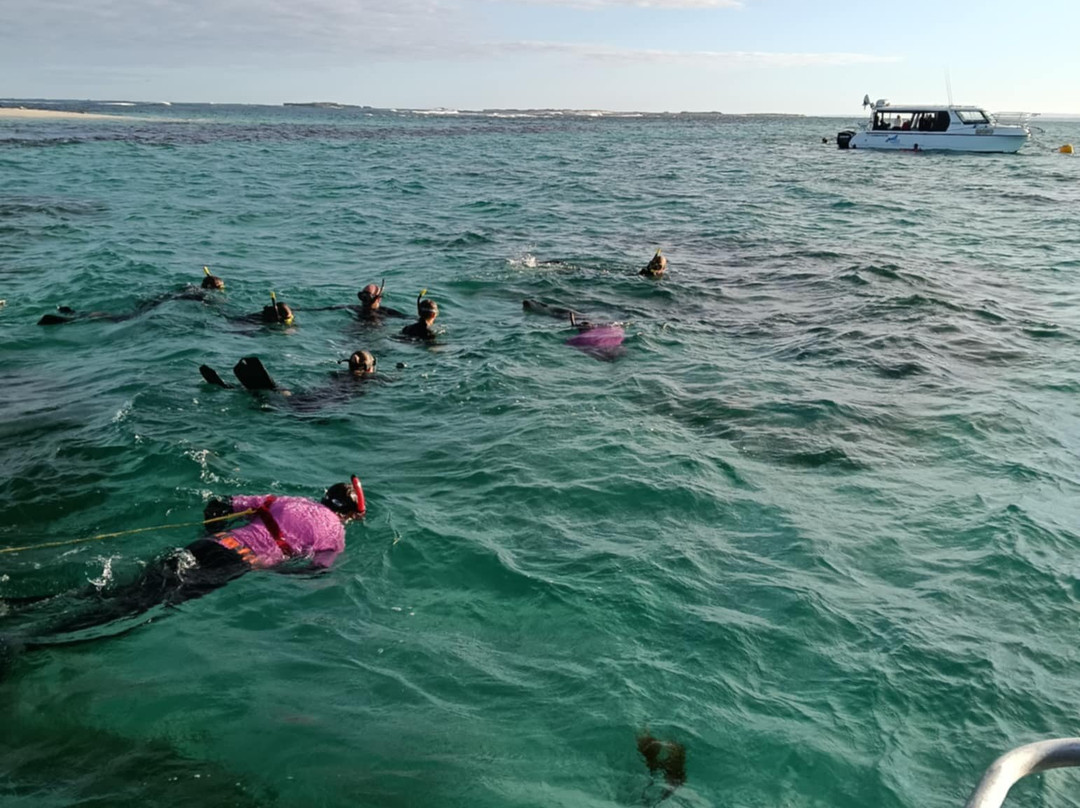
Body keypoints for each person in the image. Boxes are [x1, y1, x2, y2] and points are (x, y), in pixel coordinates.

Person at [2, 480, 365, 647]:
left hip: (210, 543)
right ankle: (28, 640)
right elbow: (317, 573)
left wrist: (213, 531)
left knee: (122, 591)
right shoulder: (335, 533)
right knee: (135, 610)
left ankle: (21, 606)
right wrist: (276, 573)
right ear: (348, 515)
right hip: (235, 563)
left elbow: (221, 503)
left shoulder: (286, 500)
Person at [38, 268, 226, 325]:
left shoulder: (190, 286)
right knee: (122, 318)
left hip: (158, 299)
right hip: (163, 305)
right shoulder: (203, 296)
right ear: (211, 287)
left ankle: (76, 313)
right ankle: (73, 319)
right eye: (221, 287)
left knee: (124, 315)